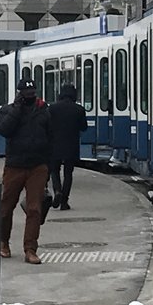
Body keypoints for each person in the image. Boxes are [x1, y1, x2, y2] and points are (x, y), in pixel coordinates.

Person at [0, 78, 53, 265]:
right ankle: (3, 242)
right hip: (15, 165)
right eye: (26, 93)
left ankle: (30, 249)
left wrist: (49, 168)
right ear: (19, 94)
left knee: (34, 208)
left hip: (38, 166)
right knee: (5, 208)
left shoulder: (44, 111)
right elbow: (3, 130)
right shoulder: (8, 110)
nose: (30, 96)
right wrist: (16, 110)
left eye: (33, 92)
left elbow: (51, 138)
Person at [48, 83, 85, 211]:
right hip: (71, 145)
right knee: (68, 173)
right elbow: (83, 127)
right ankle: (64, 201)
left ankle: (57, 190)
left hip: (54, 144)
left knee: (54, 170)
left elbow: (47, 125)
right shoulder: (79, 109)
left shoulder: (52, 108)